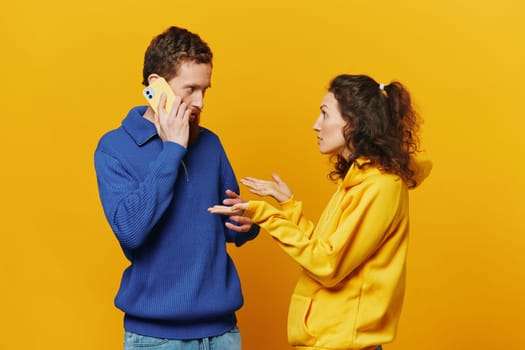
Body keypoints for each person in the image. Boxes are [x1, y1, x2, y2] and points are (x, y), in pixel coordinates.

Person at [209, 74, 432, 350]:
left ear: (354, 123)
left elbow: (328, 265)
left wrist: (264, 215)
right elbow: (325, 250)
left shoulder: (381, 187)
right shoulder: (358, 181)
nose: (316, 125)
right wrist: (288, 206)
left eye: (325, 114)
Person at [94, 26, 259, 350]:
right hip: (155, 338)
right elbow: (130, 231)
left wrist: (249, 224)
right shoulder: (113, 148)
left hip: (223, 333)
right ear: (156, 86)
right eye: (190, 89)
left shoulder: (210, 144)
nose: (199, 102)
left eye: (205, 90)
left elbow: (231, 227)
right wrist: (172, 150)